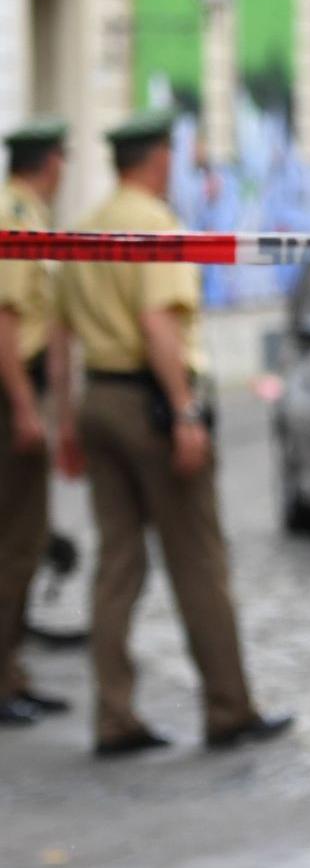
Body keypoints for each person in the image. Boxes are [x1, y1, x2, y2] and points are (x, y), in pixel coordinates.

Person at [56, 107, 292, 757]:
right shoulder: (156, 225)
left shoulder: (84, 227)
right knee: (198, 562)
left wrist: (65, 420)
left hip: (98, 397)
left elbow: (57, 331)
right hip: (150, 406)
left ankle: (114, 716)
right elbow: (159, 322)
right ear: (159, 157)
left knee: (117, 564)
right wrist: (185, 411)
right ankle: (229, 708)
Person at [0, 117, 76, 726]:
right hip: (10, 394)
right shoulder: (15, 214)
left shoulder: (25, 209)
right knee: (17, 544)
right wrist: (26, 409)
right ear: (49, 162)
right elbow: (4, 320)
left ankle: (13, 673)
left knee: (22, 542)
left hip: (19, 389)